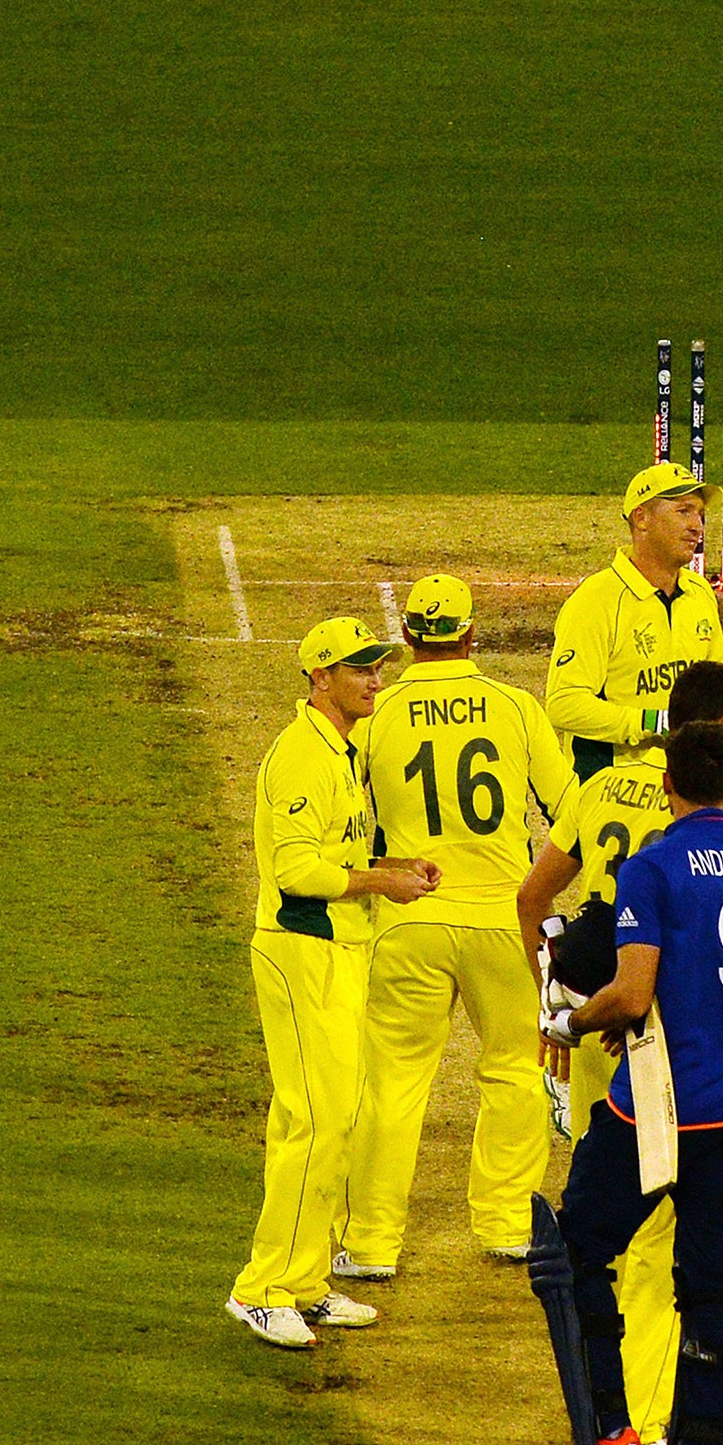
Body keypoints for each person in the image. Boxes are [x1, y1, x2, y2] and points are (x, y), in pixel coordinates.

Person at [527, 724, 723, 1445]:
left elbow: (631, 992)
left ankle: (611, 1436)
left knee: (576, 1249)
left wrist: (573, 1025)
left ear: (668, 789)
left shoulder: (653, 867)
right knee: (720, 1284)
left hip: (653, 1102)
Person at [333, 577, 573, 1277]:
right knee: (516, 1072)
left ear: (408, 638)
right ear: (472, 635)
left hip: (410, 921)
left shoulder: (377, 714)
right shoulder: (514, 707)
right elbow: (570, 813)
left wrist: (381, 869)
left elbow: (346, 829)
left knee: (394, 1083)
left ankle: (372, 1246)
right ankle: (504, 1222)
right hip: (505, 921)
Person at [226, 618, 435, 1348]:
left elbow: (336, 850)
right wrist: (384, 880)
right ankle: (261, 1288)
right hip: (300, 951)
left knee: (329, 1120)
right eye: (360, 670)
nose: (375, 679)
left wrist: (395, 870)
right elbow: (295, 873)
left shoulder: (339, 749)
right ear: (320, 678)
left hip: (338, 948)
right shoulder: (302, 757)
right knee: (313, 1122)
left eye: (377, 667)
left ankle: (305, 1281)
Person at [546, 462, 723, 782]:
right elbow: (564, 705)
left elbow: (716, 683)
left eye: (700, 514)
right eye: (683, 511)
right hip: (610, 792)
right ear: (641, 518)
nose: (697, 526)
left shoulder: (699, 593)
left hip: (685, 785)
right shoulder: (597, 600)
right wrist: (651, 723)